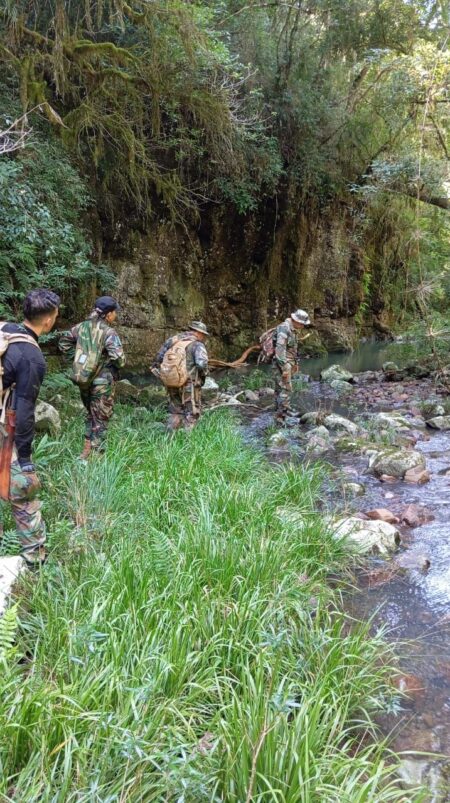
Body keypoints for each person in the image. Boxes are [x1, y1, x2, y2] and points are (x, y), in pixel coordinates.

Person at [0, 289, 60, 568]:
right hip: (5, 427)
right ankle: (35, 561)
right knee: (24, 491)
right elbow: (23, 411)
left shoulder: (5, 330)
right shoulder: (32, 357)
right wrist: (24, 461)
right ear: (48, 321)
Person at [59, 296, 125, 458]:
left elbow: (63, 343)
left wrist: (78, 361)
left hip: (83, 379)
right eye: (114, 312)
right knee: (101, 417)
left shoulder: (80, 327)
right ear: (108, 314)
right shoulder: (108, 332)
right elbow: (120, 359)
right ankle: (97, 457)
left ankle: (86, 452)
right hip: (102, 381)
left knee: (90, 413)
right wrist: (106, 365)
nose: (115, 316)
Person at [153, 321, 209, 430]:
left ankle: (170, 439)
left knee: (175, 411)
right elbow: (202, 364)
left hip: (171, 382)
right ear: (199, 333)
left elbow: (157, 361)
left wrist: (166, 377)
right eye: (203, 335)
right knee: (192, 413)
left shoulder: (172, 340)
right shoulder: (197, 345)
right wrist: (202, 377)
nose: (203, 337)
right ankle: (188, 442)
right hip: (189, 384)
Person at [272, 309, 311, 421]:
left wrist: (295, 364)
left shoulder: (292, 329)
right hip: (282, 363)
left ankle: (280, 410)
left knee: (280, 388)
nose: (303, 326)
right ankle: (282, 415)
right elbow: (280, 349)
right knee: (286, 389)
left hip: (288, 362)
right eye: (302, 323)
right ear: (295, 320)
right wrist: (284, 367)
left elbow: (292, 349)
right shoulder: (284, 328)